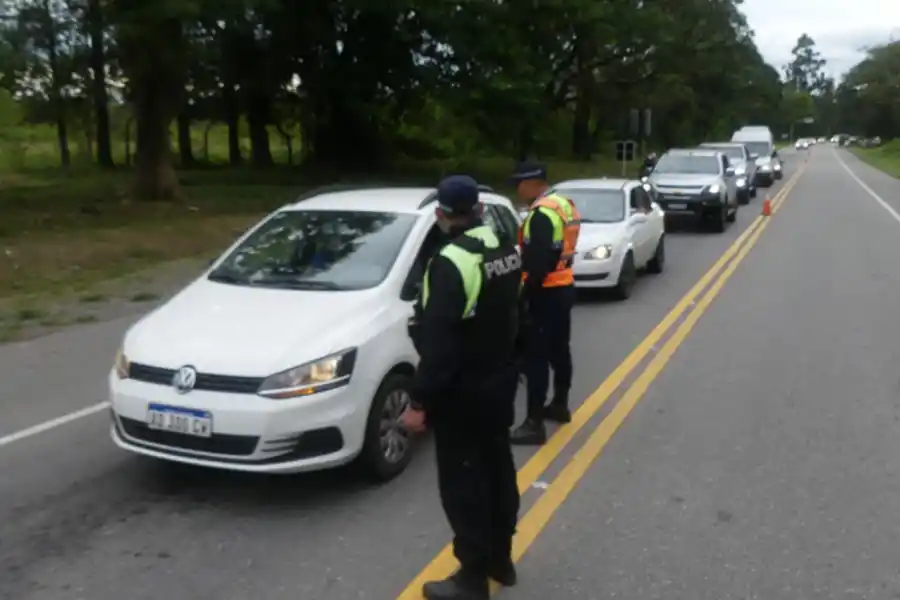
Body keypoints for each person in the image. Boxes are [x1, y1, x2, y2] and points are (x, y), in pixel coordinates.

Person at [401, 175, 523, 600]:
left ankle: (472, 577)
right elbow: (515, 313)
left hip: (464, 393)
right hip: (499, 383)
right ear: (479, 209)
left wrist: (419, 401)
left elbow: (440, 345)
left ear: (441, 214)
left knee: (464, 485)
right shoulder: (502, 247)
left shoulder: (450, 261)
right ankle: (501, 559)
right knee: (497, 470)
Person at [509, 161, 580, 446]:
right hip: (564, 286)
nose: (517, 189)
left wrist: (525, 298)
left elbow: (538, 264)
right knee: (560, 349)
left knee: (535, 358)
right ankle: (560, 404)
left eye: (518, 184)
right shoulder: (563, 204)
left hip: (545, 292)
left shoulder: (540, 215)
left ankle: (534, 423)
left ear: (532, 183)